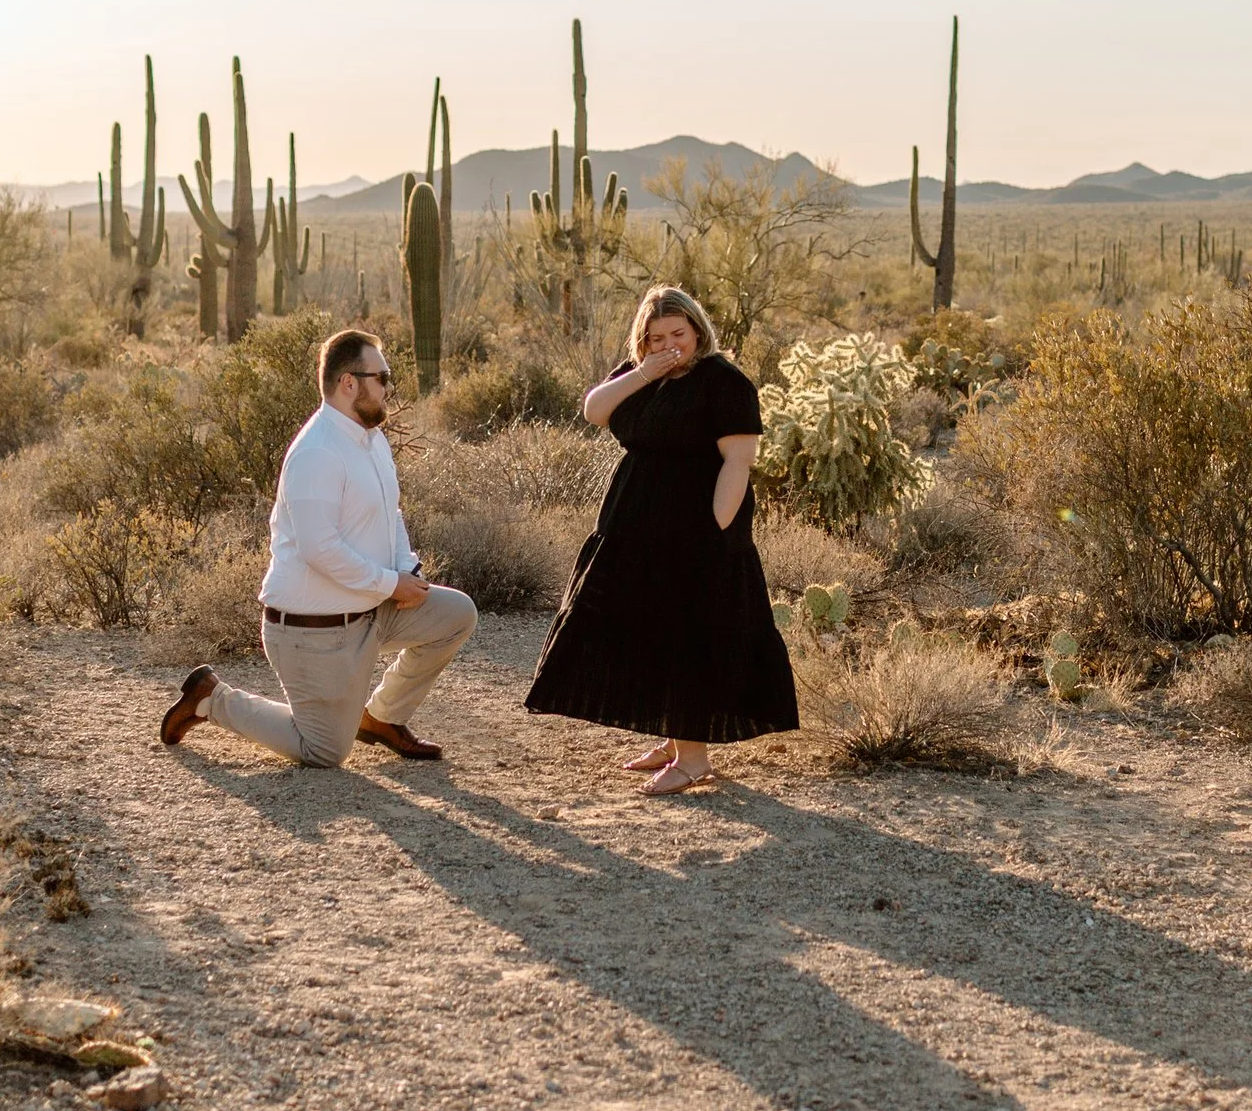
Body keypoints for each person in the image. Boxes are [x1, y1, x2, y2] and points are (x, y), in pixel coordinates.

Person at [524, 285, 797, 794]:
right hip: (634, 523)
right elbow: (594, 410)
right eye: (655, 338)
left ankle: (694, 759)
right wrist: (645, 370)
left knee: (688, 635)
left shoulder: (724, 380)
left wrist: (714, 532)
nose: (669, 344)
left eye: (678, 333)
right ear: (642, 340)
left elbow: (738, 463)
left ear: (698, 330)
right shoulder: (641, 375)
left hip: (695, 525)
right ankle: (673, 743)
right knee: (649, 627)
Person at [161, 329, 476, 765]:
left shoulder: (372, 440)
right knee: (324, 752)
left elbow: (391, 516)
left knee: (456, 614)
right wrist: (390, 585)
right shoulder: (317, 452)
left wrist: (409, 572)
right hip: (315, 632)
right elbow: (318, 549)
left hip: (371, 610)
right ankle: (212, 698)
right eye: (382, 376)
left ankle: (382, 717)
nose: (389, 387)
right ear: (350, 382)